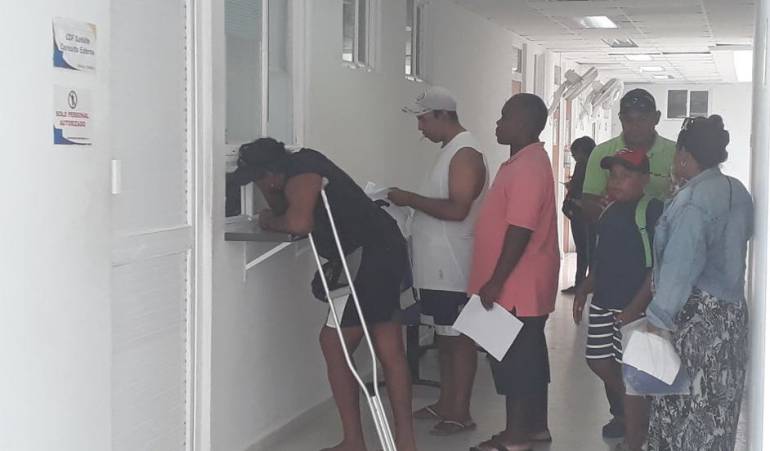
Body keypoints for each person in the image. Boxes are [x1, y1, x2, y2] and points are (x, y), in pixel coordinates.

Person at [232, 138, 418, 451]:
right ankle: (406, 443)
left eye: (258, 180)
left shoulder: (303, 173)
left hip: (366, 259)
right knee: (389, 347)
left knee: (334, 345)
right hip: (386, 248)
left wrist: (267, 220)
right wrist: (275, 196)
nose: (259, 186)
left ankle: (354, 442)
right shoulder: (302, 165)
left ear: (271, 174)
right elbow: (288, 208)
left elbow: (298, 222)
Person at [645, 115, 753, 451]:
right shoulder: (737, 190)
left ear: (683, 155)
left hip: (695, 323)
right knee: (718, 411)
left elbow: (681, 267)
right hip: (730, 319)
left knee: (683, 415)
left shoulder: (693, 201)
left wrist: (657, 321)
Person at [388, 86, 488, 435]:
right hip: (436, 265)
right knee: (444, 338)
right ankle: (447, 403)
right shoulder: (450, 151)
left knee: (459, 338)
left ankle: (461, 412)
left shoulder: (465, 153)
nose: (420, 127)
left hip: (453, 264)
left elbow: (458, 209)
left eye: (423, 119)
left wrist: (410, 198)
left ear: (444, 115)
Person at [467, 93, 560, 451]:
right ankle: (535, 428)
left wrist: (495, 280)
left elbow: (520, 228)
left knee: (515, 360)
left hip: (516, 286)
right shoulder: (525, 161)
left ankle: (515, 436)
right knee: (528, 357)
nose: (498, 123)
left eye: (504, 116)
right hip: (521, 284)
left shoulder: (527, 167)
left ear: (522, 123)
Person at [572, 149, 664, 451]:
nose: (615, 181)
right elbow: (601, 259)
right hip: (603, 302)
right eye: (613, 175)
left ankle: (635, 439)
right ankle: (638, 410)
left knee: (632, 374)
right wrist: (585, 288)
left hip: (633, 308)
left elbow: (656, 269)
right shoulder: (608, 210)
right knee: (597, 360)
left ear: (645, 179)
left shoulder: (651, 211)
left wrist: (634, 308)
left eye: (626, 176)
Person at [582, 89, 677, 224]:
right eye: (628, 120)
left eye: (642, 119)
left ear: (656, 118)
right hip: (614, 232)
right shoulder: (602, 152)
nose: (635, 126)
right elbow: (588, 201)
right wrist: (610, 212)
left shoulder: (676, 154)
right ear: (620, 119)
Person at [561, 136, 597, 295]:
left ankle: (581, 284)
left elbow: (578, 188)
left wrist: (571, 188)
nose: (574, 157)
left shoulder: (583, 166)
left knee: (583, 250)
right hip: (589, 213)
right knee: (589, 249)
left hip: (580, 212)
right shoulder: (594, 165)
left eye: (575, 153)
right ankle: (589, 284)